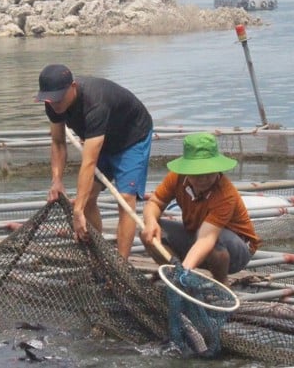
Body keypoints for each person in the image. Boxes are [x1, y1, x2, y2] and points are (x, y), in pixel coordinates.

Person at [35, 63, 154, 259]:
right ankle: (100, 257)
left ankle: (120, 265)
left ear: (72, 87)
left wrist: (77, 210)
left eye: (59, 98)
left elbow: (89, 162)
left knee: (125, 200)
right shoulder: (52, 104)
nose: (55, 104)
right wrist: (56, 180)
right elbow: (58, 143)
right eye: (50, 99)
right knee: (88, 199)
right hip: (99, 138)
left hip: (131, 137)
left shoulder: (95, 102)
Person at [140, 132, 260, 284]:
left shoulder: (225, 194)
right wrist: (151, 222)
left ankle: (221, 282)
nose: (203, 179)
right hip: (197, 235)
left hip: (235, 249)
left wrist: (186, 268)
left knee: (215, 240)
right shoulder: (177, 177)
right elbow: (155, 202)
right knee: (151, 232)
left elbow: (206, 238)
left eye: (208, 173)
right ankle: (173, 273)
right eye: (196, 174)